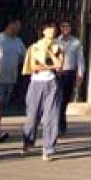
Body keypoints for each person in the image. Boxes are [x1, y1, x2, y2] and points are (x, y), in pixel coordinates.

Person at [21, 19, 63, 161]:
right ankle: (27, 141)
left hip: (51, 83)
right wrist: (51, 66)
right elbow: (34, 67)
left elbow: (59, 65)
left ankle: (48, 148)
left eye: (53, 28)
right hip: (36, 83)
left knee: (51, 117)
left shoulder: (58, 47)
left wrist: (50, 53)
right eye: (49, 28)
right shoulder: (35, 47)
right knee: (32, 115)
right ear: (43, 31)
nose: (52, 30)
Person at [0, 17, 26, 142]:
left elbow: (23, 58)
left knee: (2, 104)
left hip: (11, 77)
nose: (18, 28)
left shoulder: (18, 42)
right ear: (10, 24)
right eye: (16, 25)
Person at [56, 19, 85, 136]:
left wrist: (80, 74)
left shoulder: (76, 43)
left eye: (67, 26)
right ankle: (56, 124)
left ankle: (61, 123)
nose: (65, 29)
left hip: (69, 73)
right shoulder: (55, 42)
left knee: (64, 101)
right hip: (57, 73)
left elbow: (80, 60)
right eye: (63, 26)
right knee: (57, 99)